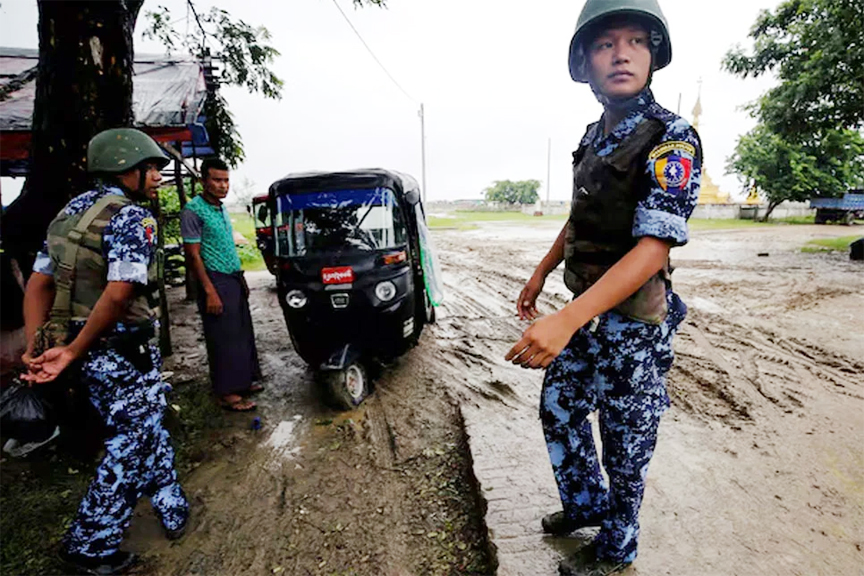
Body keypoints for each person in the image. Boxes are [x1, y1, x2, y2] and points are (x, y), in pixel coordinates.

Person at [505, 1, 702, 574]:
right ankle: (584, 504)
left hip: (634, 324)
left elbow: (653, 249)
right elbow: (580, 213)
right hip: (588, 312)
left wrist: (564, 321)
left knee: (625, 441)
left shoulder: (672, 137)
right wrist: (543, 270)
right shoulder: (595, 136)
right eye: (605, 43)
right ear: (584, 61)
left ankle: (617, 551)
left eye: (636, 41)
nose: (621, 53)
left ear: (654, 54)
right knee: (560, 408)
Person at [22, 128, 189, 575]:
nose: (157, 176)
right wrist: (73, 350)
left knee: (149, 421)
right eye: (149, 168)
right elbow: (118, 295)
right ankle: (88, 546)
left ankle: (172, 504)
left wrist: (37, 345)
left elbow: (39, 283)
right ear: (124, 170)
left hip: (87, 349)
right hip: (116, 349)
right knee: (130, 443)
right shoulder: (133, 218)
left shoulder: (69, 213)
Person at [180, 158, 262, 411]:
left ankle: (244, 381)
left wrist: (241, 277)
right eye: (216, 180)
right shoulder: (193, 211)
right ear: (203, 181)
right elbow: (193, 255)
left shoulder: (221, 208)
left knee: (240, 332)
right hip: (213, 280)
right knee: (222, 337)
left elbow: (227, 245)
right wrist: (209, 291)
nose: (222, 185)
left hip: (232, 277)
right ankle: (227, 392)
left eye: (226, 180)